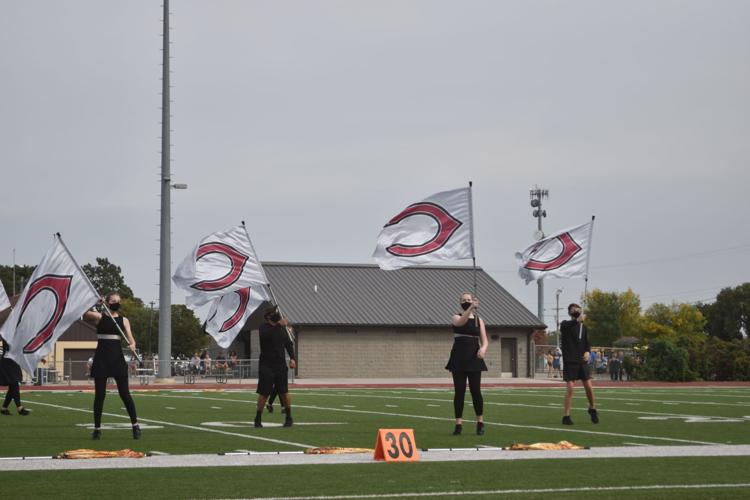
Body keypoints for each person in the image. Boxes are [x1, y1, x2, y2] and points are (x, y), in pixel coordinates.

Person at [82, 293, 141, 440]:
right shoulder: (100, 317)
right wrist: (96, 302)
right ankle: (97, 429)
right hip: (102, 359)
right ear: (107, 303)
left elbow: (131, 338)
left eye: (118, 301)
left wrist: (132, 344)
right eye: (113, 301)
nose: (116, 303)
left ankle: (135, 426)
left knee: (125, 394)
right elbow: (84, 313)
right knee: (100, 396)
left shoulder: (124, 320)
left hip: (117, 359)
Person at [445, 292, 488, 436]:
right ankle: (458, 424)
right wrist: (470, 308)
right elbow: (460, 323)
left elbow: (485, 340)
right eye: (464, 300)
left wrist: (483, 349)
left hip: (474, 359)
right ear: (460, 303)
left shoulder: (478, 320)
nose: (466, 301)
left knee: (476, 391)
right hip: (458, 358)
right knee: (460, 392)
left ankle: (480, 422)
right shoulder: (456, 316)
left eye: (469, 300)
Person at [254, 306, 296, 428]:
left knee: (284, 392)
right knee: (264, 393)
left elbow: (288, 344)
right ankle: (258, 418)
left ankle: (289, 417)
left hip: (280, 365)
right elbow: (267, 337)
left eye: (276, 312)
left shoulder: (282, 329)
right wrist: (279, 325)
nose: (276, 314)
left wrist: (292, 358)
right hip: (266, 365)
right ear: (268, 316)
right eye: (273, 312)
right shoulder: (264, 328)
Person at [560, 303, 598, 425]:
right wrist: (577, 320)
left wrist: (587, 352)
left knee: (589, 387)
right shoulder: (565, 324)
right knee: (570, 388)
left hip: (581, 361)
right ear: (569, 312)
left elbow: (587, 343)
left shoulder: (583, 327)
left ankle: (592, 408)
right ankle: (566, 416)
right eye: (573, 309)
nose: (575, 310)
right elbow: (569, 325)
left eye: (577, 309)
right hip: (570, 361)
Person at [0, 337, 31, 416]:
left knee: (12, 385)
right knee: (14, 383)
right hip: (8, 362)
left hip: (12, 361)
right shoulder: (8, 335)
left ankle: (4, 408)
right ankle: (19, 407)